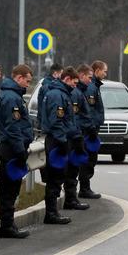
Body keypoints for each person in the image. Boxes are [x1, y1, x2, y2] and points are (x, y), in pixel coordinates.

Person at [0, 64, 35, 238]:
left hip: (13, 148)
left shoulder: (12, 95)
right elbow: (13, 127)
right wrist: (20, 151)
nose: (27, 84)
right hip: (12, 149)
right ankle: (7, 226)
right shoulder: (12, 98)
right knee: (9, 189)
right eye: (27, 80)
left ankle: (8, 224)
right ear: (19, 78)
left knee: (11, 189)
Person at [40, 65, 79, 225]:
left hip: (59, 140)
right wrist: (63, 142)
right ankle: (51, 213)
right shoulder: (58, 96)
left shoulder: (61, 93)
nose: (75, 86)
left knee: (57, 177)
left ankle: (52, 212)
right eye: (74, 83)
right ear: (67, 79)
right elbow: (57, 122)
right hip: (57, 141)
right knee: (55, 178)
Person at [63, 67, 92, 211]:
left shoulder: (77, 94)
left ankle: (71, 199)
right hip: (67, 138)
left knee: (73, 169)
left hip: (74, 136)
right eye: (73, 83)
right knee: (66, 171)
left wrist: (80, 131)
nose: (74, 85)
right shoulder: (62, 95)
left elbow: (86, 116)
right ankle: (68, 200)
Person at [80, 60, 108, 199]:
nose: (105, 73)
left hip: (90, 129)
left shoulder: (94, 86)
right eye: (104, 71)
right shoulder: (91, 88)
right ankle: (85, 188)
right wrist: (91, 128)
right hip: (89, 130)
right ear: (97, 71)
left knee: (89, 158)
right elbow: (89, 111)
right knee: (89, 158)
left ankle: (85, 187)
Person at [37, 63, 63, 132]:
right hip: (49, 122)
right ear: (55, 73)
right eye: (61, 73)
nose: (62, 76)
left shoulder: (47, 84)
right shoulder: (49, 86)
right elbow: (51, 106)